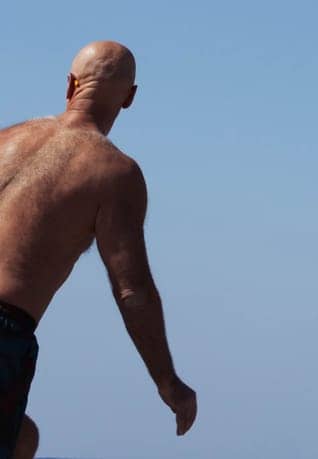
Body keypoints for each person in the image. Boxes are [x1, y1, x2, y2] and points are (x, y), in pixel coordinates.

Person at [0, 42, 197, 459]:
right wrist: (167, 380)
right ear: (129, 98)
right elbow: (133, 290)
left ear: (70, 85)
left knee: (21, 439)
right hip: (3, 328)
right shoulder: (115, 174)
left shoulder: (8, 138)